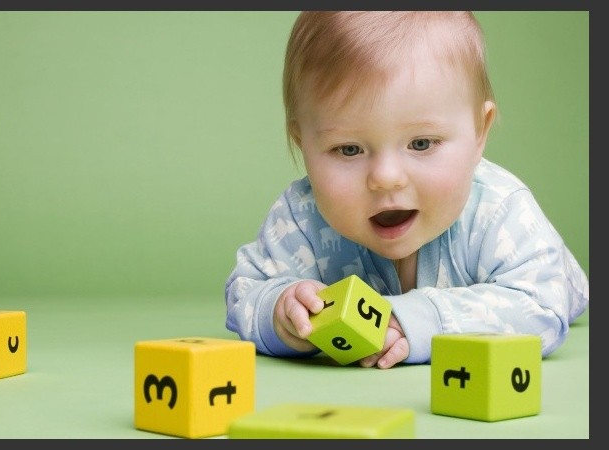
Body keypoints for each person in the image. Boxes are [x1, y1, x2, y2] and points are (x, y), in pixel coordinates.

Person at [224, 11, 589, 369]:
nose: (386, 178)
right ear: (302, 142)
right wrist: (281, 310)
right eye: (349, 149)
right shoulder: (301, 217)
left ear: (480, 131)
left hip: (553, 276)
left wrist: (418, 320)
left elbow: (540, 305)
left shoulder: (498, 209)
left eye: (421, 143)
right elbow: (246, 289)